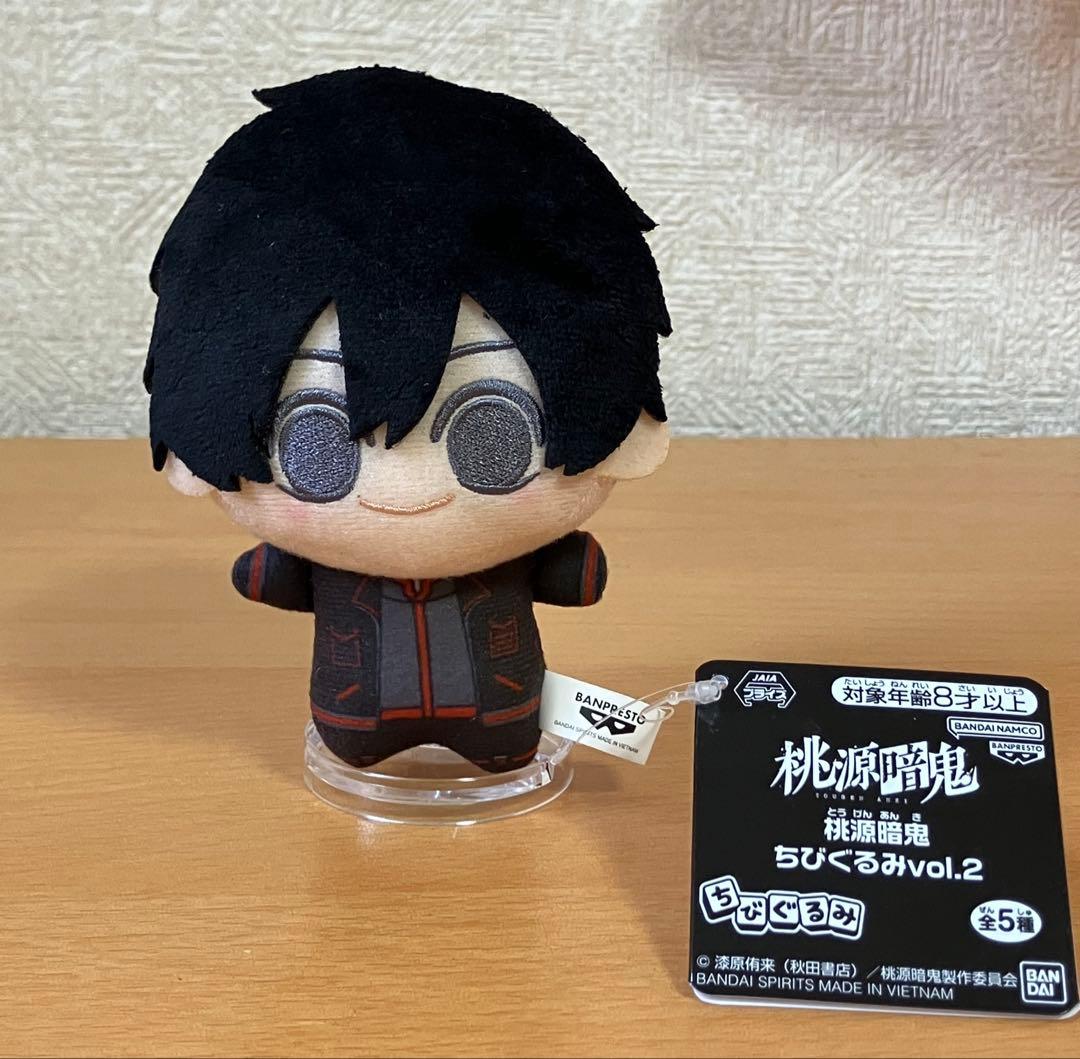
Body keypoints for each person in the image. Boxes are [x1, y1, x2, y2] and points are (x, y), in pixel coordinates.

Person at [146, 66, 671, 771]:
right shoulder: (324, 567)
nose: (402, 488)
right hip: (355, 710)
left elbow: (578, 575)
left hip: (503, 707)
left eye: (493, 435)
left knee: (504, 738)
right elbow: (268, 577)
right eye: (318, 446)